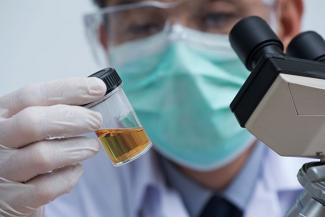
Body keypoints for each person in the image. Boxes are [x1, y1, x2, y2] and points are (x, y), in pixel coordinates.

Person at [0, 0, 307, 216]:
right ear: (106, 39)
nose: (180, 60)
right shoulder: (49, 191)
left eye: (216, 16)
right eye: (143, 25)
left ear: (287, 20)